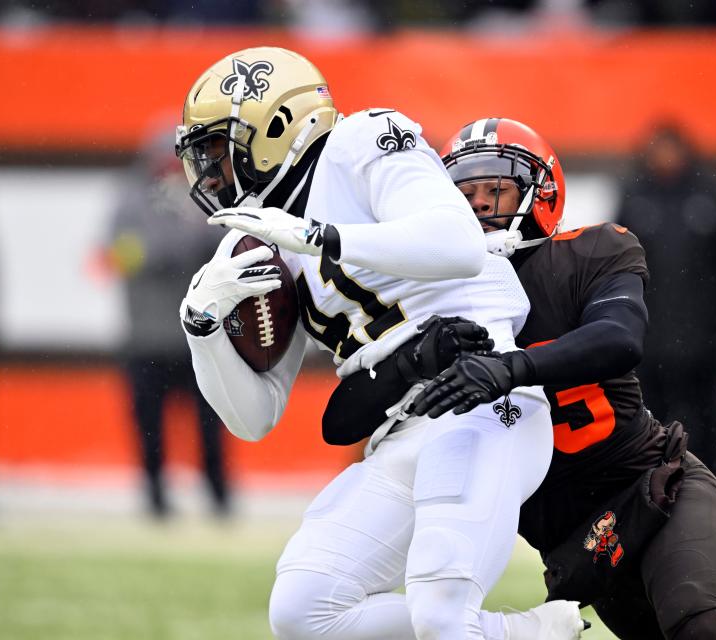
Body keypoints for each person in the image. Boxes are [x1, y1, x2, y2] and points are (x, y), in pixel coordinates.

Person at [175, 47, 583, 639]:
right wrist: (202, 329)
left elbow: (458, 244)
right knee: (303, 611)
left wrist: (319, 237)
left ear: (276, 128)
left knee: (442, 616)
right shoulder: (258, 236)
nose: (209, 174)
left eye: (217, 150)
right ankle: (529, 635)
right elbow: (255, 417)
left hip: (481, 402)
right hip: (399, 431)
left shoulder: (363, 140)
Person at [323, 118, 716, 639]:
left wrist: (510, 369)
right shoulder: (430, 298)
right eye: (462, 196)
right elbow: (341, 422)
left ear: (540, 192)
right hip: (578, 548)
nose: (476, 208)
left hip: (654, 487)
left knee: (704, 624)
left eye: (493, 190)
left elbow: (619, 338)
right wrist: (407, 363)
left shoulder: (587, 254)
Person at [106, 128, 231, 518]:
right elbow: (128, 256)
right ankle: (156, 498)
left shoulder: (205, 198)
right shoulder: (129, 204)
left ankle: (219, 495)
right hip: (147, 338)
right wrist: (178, 229)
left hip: (197, 336)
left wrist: (191, 221)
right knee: (149, 428)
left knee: (212, 423)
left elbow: (226, 248)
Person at [616, 122, 716, 485]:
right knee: (648, 414)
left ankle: (708, 482)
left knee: (707, 417)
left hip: (704, 340)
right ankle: (651, 480)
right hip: (649, 338)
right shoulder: (635, 197)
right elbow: (615, 262)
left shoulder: (707, 197)